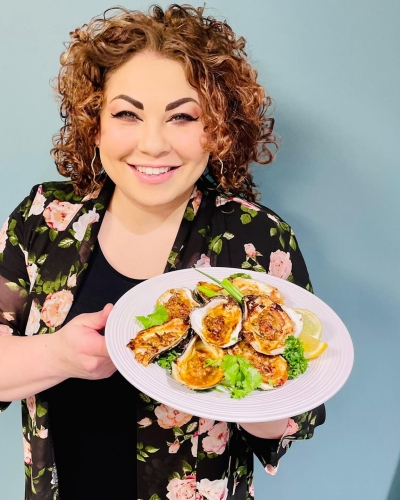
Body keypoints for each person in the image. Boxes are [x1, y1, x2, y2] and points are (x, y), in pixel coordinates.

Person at [0, 4, 325, 499]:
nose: (152, 144)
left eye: (183, 116)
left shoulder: (257, 237)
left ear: (217, 128)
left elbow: (292, 422)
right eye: (127, 113)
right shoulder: (44, 215)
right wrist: (57, 355)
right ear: (96, 123)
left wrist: (252, 375)